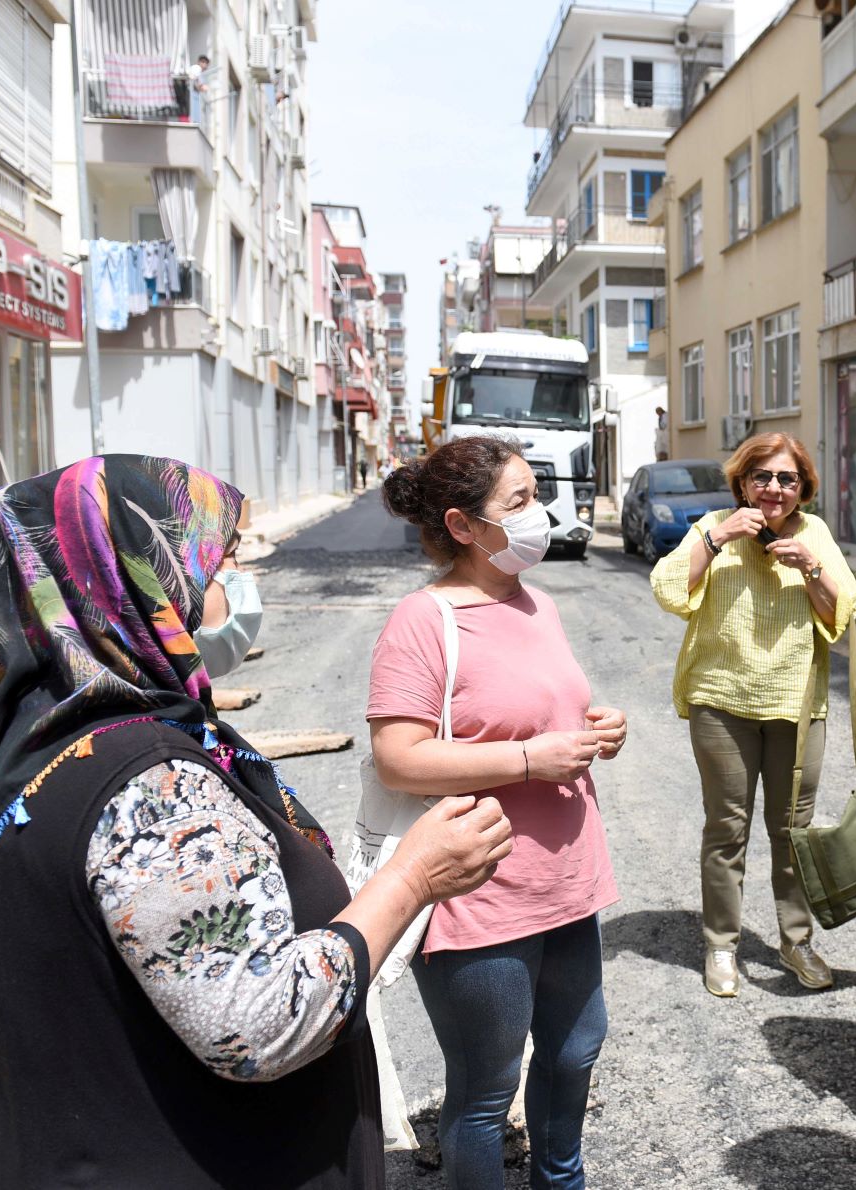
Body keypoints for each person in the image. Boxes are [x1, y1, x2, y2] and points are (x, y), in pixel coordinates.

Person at [0, 454, 512, 1187]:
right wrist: (414, 876)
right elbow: (260, 1023)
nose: (226, 587)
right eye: (212, 565)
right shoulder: (149, 786)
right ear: (140, 578)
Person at [372, 435, 625, 1189]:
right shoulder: (423, 620)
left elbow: (546, 711)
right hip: (478, 892)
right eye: (518, 503)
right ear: (461, 526)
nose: (538, 515)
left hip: (567, 881)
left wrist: (596, 728)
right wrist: (526, 760)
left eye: (534, 497)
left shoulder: (537, 602)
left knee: (577, 1049)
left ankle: (561, 1181)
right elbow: (400, 756)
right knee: (485, 1092)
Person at [650, 433, 856, 997]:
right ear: (742, 482)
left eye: (786, 479)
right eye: (762, 477)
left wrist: (812, 568)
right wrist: (717, 539)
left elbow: (844, 612)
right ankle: (721, 944)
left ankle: (796, 940)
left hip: (796, 706)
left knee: (792, 832)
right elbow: (667, 587)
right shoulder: (713, 527)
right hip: (722, 701)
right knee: (727, 829)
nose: (773, 489)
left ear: (802, 488)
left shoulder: (814, 534)